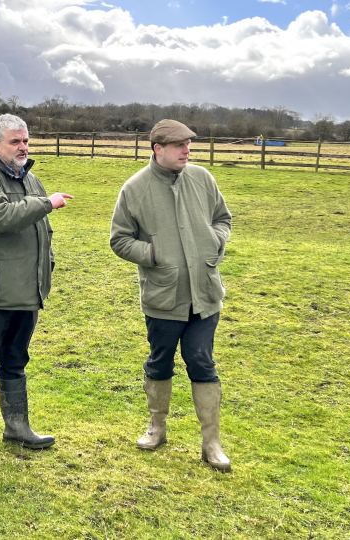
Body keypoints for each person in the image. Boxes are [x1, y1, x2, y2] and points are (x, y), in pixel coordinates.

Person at [109, 119, 233, 472]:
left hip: (205, 294)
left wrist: (216, 241)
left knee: (201, 361)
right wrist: (153, 255)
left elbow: (223, 218)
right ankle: (156, 428)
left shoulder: (203, 178)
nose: (187, 150)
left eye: (188, 144)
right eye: (179, 145)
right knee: (160, 361)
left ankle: (212, 443)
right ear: (157, 148)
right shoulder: (134, 189)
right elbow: (119, 239)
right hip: (163, 297)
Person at [0, 114, 73, 455]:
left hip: (27, 291)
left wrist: (47, 265)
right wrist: (46, 203)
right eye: (15, 141)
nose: (23, 147)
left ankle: (17, 426)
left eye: (25, 141)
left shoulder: (32, 180)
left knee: (15, 359)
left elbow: (41, 232)